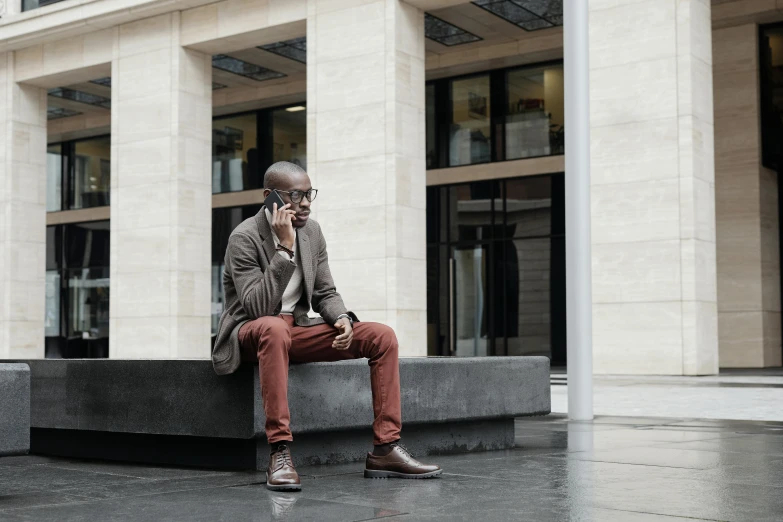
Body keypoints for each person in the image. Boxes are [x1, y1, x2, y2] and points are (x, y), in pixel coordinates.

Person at [211, 161, 442, 491]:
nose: (305, 202)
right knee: (274, 329)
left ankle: (385, 449)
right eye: (295, 195)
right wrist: (284, 247)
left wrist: (342, 319)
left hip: (298, 328)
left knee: (381, 336)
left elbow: (325, 292)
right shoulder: (244, 237)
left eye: (309, 194)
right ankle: (279, 451)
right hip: (250, 332)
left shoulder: (312, 232)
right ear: (270, 197)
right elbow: (257, 307)